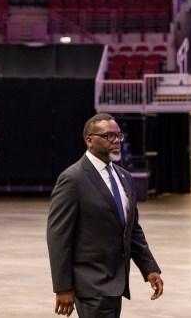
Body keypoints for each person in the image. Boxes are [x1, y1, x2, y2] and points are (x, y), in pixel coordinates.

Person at [46, 113, 163, 318]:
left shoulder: (124, 176)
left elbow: (131, 229)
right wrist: (62, 287)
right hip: (90, 283)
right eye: (109, 136)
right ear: (89, 140)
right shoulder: (72, 179)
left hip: (116, 281)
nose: (116, 141)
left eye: (118, 136)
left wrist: (149, 268)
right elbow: (58, 237)